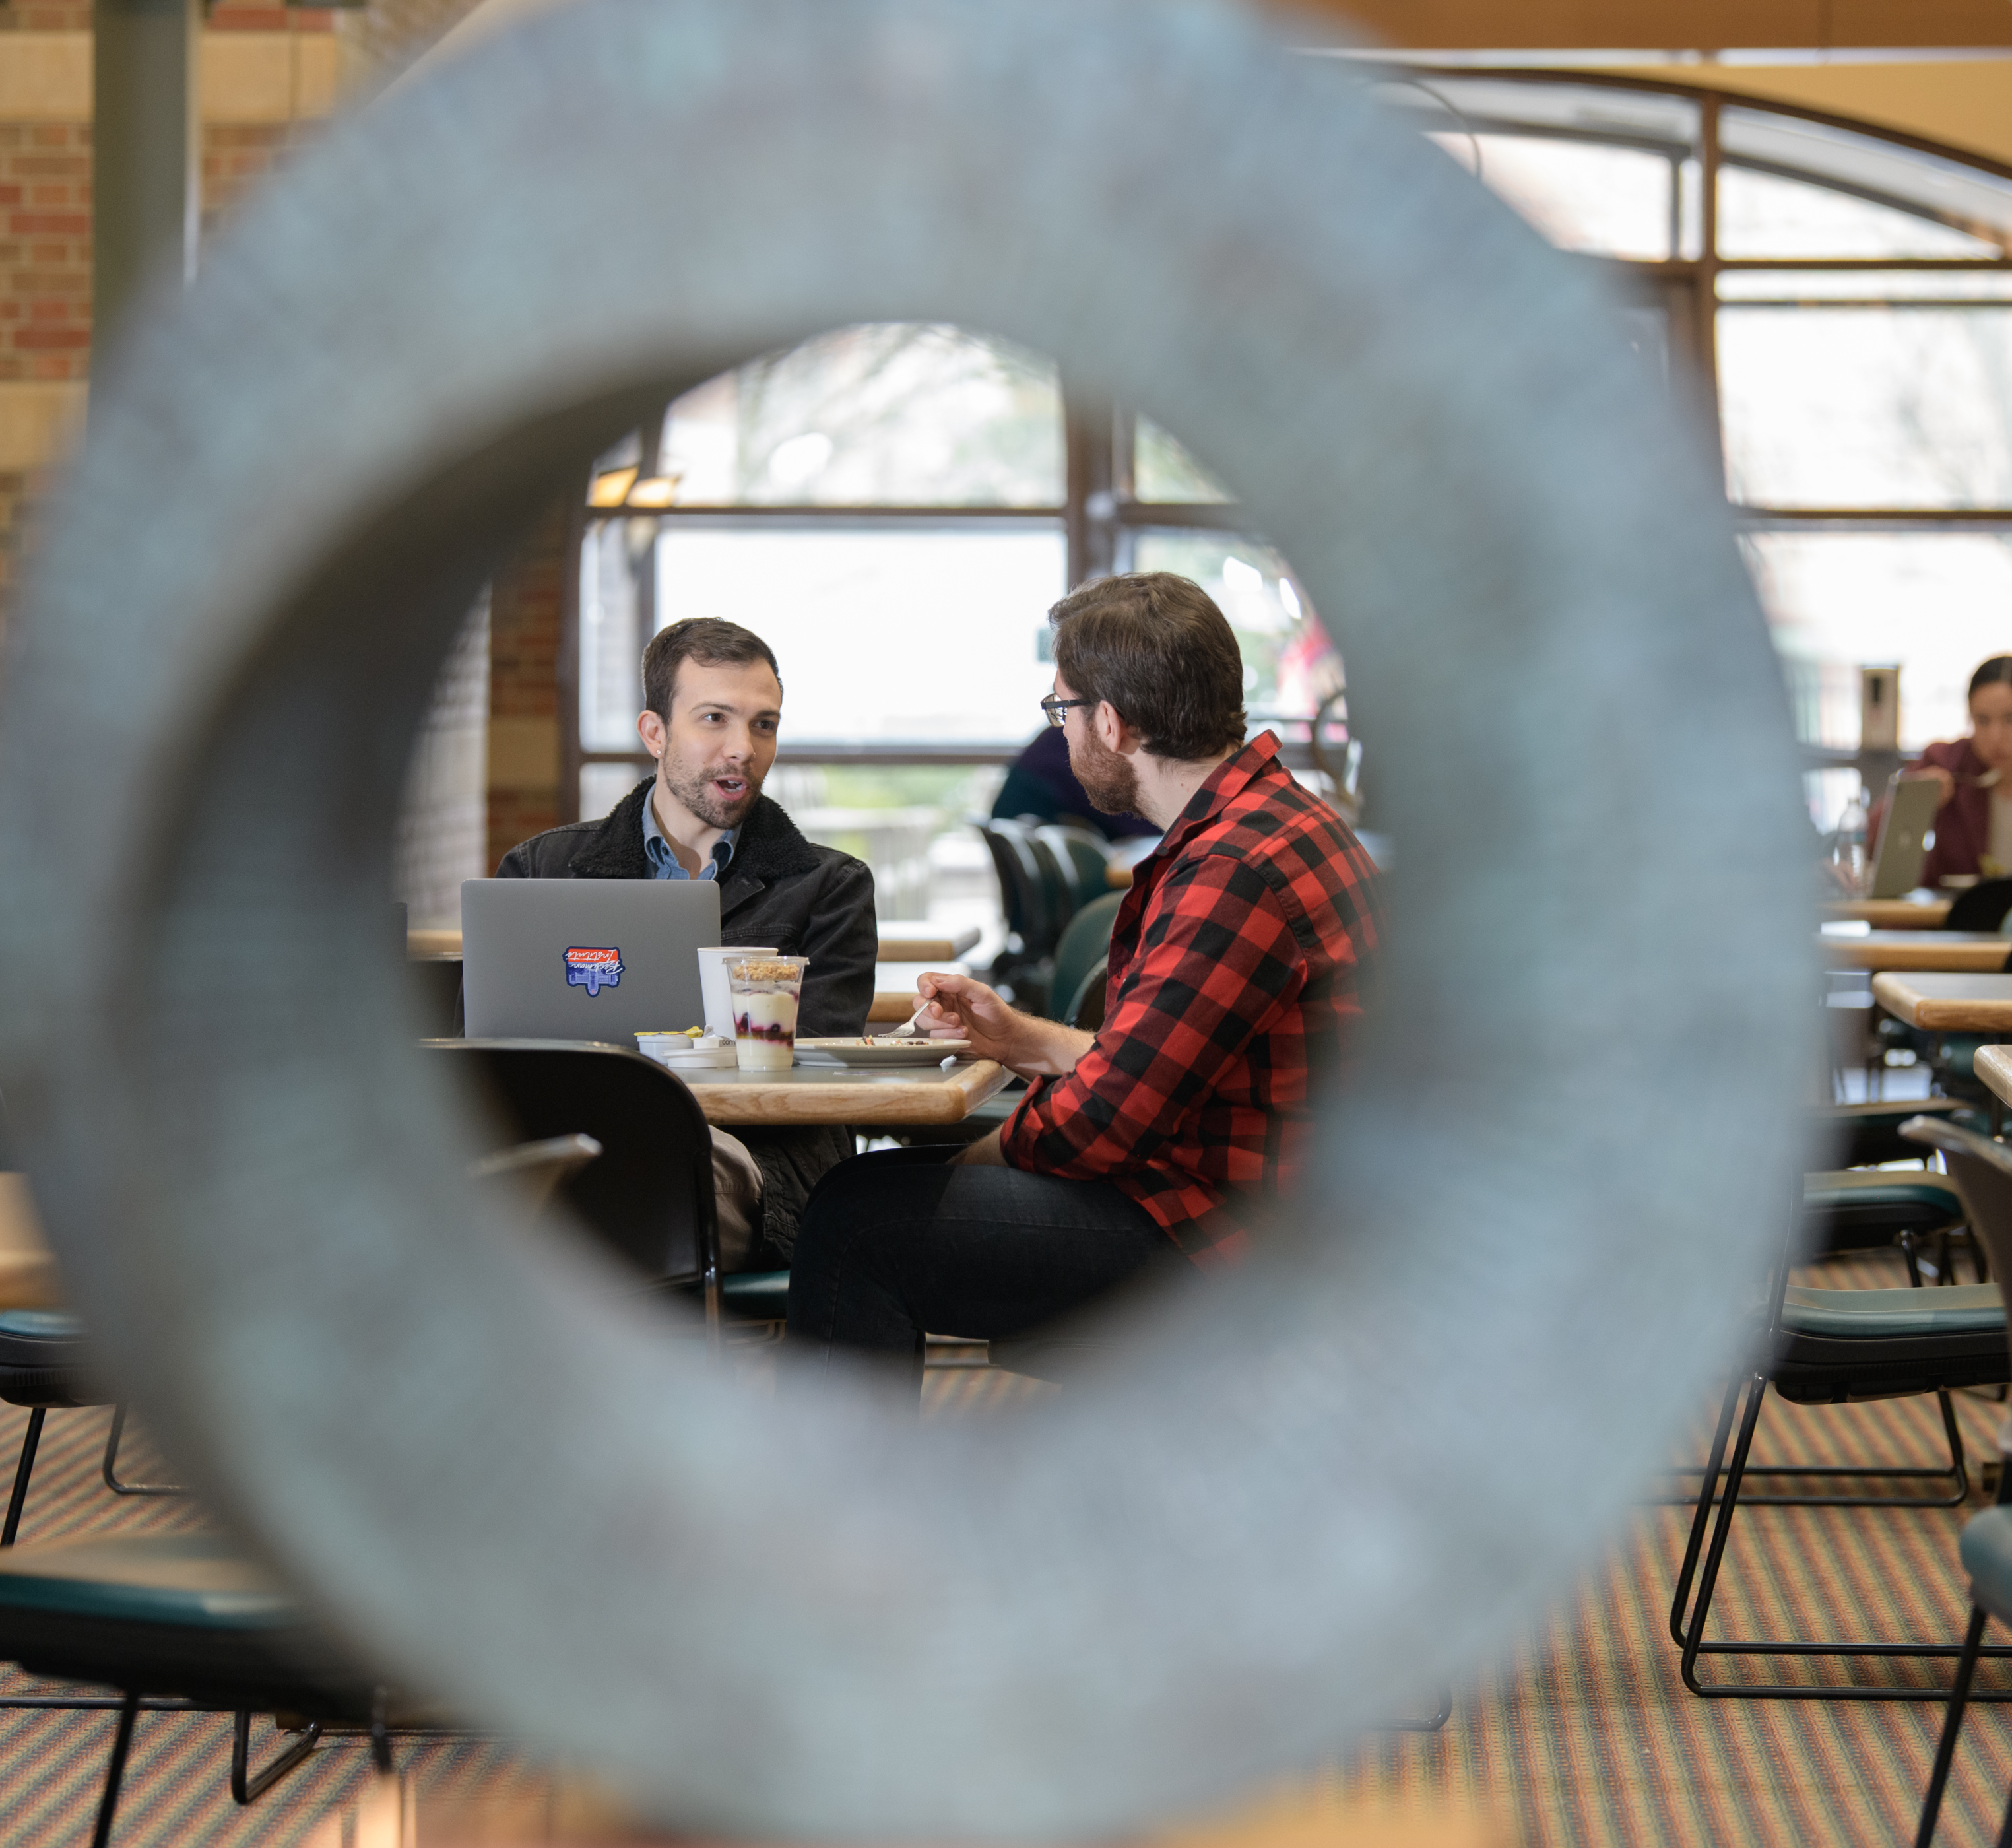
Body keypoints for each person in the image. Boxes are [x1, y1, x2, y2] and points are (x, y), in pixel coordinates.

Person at [787, 572, 1385, 1388]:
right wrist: (1027, 1038)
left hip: (1230, 1240)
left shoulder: (1233, 868)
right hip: (1272, 1205)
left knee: (857, 1220)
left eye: (1060, 709)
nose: (1061, 732)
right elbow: (1170, 1061)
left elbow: (1104, 1123)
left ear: (1110, 723)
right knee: (868, 1192)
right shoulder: (1273, 823)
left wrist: (971, 1163)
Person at [495, 617, 878, 1269]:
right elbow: (488, 1058)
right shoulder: (541, 871)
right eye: (714, 719)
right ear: (655, 732)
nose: (743, 749)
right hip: (566, 1142)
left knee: (603, 1198)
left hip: (749, 1159)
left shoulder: (829, 886)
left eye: (764, 724)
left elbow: (809, 1081)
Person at [1891, 655, 2012, 884]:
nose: (1996, 737)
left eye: (2011, 720)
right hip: (1956, 916)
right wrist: (1914, 803)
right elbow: (1872, 843)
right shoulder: (1945, 764)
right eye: (1982, 721)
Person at [989, 723, 1155, 841]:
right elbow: (1114, 809)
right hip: (1039, 837)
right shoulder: (1075, 740)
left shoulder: (1058, 736)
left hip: (1024, 841)